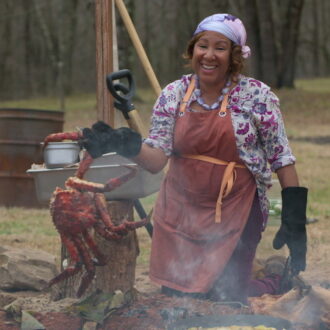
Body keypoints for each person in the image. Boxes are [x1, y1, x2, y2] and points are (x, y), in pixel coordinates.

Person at [82, 13, 308, 304]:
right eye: (203, 46)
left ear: (235, 55)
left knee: (227, 297)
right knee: (178, 300)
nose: (209, 55)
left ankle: (274, 279)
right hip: (180, 212)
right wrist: (126, 144)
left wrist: (294, 220)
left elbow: (282, 159)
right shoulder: (173, 95)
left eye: (220, 47)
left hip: (236, 209)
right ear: (193, 50)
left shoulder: (258, 96)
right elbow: (156, 160)